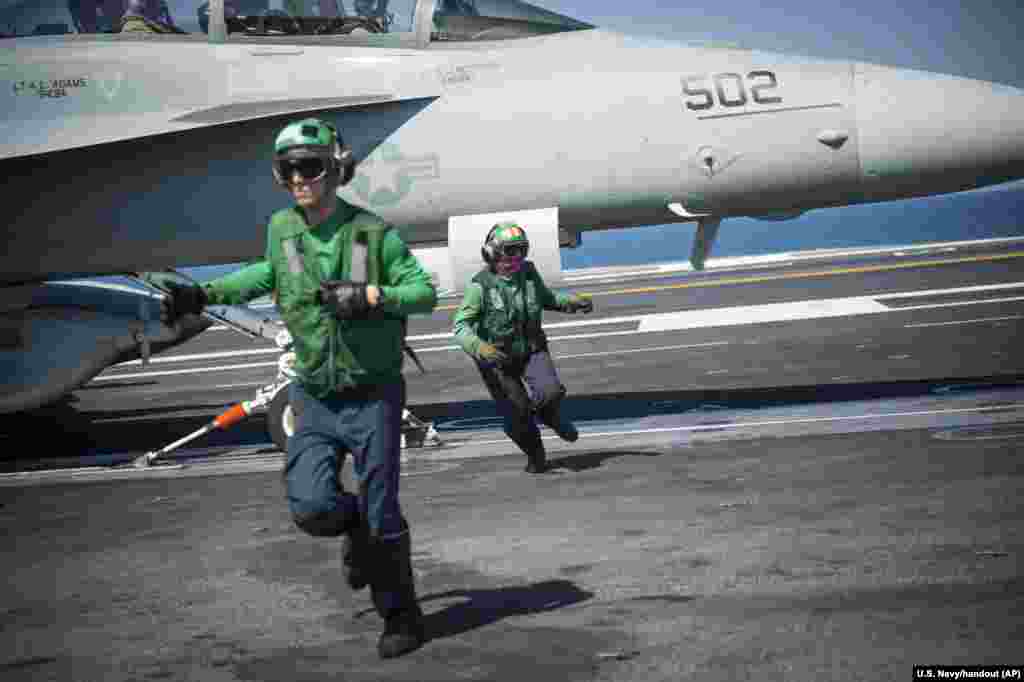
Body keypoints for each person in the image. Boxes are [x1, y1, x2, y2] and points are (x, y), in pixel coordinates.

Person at [160, 118, 437, 659]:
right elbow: (268, 272)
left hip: (372, 394)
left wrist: (371, 296)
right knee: (311, 507)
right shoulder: (282, 227)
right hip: (314, 393)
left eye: (309, 166)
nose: (298, 178)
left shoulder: (372, 232)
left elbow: (423, 293)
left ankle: (402, 616)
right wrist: (205, 293)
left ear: (336, 168)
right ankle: (350, 524)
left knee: (383, 513)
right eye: (288, 170)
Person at [452, 222, 594, 474]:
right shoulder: (480, 287)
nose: (516, 258)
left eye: (521, 251)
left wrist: (571, 302)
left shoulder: (528, 273)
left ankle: (550, 417)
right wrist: (480, 348)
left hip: (531, 349)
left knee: (550, 392)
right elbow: (461, 327)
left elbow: (546, 298)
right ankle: (536, 455)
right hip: (497, 358)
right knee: (517, 412)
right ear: (492, 253)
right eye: (510, 252)